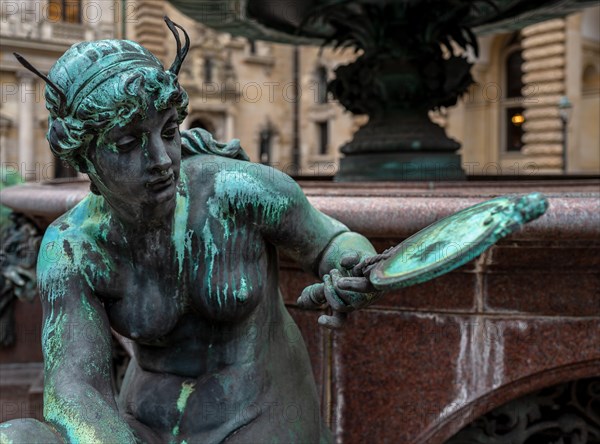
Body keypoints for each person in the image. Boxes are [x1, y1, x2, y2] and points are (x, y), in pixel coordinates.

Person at [1, 19, 380, 444]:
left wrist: (351, 267)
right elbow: (76, 389)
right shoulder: (73, 247)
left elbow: (332, 241)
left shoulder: (235, 190)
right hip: (146, 429)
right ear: (84, 159)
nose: (161, 159)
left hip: (261, 418)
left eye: (167, 131)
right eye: (128, 145)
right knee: (17, 437)